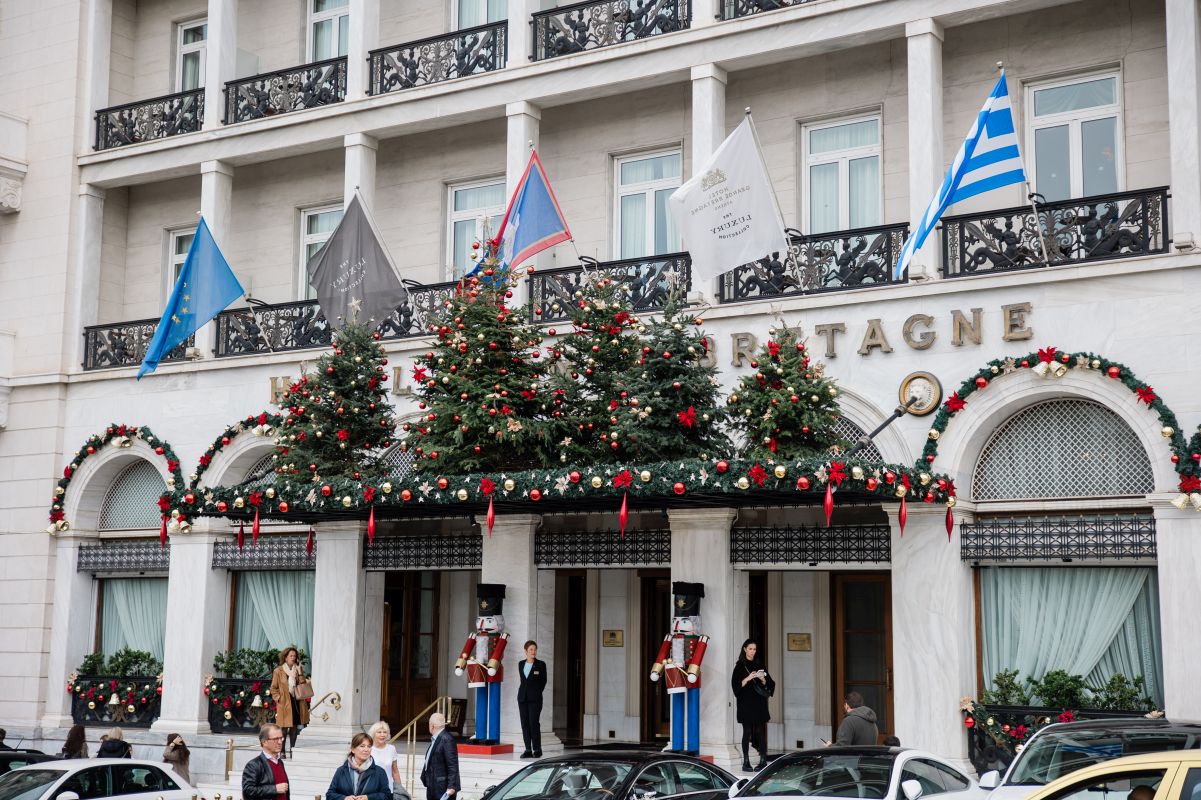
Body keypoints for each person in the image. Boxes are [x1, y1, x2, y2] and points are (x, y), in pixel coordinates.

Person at [731, 639, 775, 772]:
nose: (752, 651)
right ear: (745, 649)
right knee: (747, 731)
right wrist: (748, 678)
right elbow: (735, 686)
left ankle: (762, 760)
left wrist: (762, 678)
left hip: (759, 702)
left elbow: (770, 683)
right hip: (746, 702)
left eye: (754, 649)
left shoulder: (759, 663)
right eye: (750, 649)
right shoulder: (739, 666)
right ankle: (746, 761)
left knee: (760, 731)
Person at [271, 646, 311, 759]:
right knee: (283, 729)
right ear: (285, 657)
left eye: (294, 656)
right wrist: (278, 698)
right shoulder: (278, 671)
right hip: (284, 703)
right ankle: (282, 751)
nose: (293, 658)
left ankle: (292, 750)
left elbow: (303, 685)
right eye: (291, 656)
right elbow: (273, 688)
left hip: (296, 702)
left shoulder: (297, 669)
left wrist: (300, 673)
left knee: (294, 728)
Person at [326, 733, 390, 800]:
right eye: (362, 746)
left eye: (369, 746)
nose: (366, 749)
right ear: (353, 749)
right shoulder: (341, 770)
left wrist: (368, 798)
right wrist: (344, 798)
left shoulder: (380, 772)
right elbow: (330, 795)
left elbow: (387, 796)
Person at [243, 723, 290, 800]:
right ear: (264, 742)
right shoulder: (254, 765)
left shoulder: (280, 762)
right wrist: (274, 789)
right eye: (275, 739)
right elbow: (248, 791)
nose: (280, 742)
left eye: (281, 738)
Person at [516, 640, 547, 759]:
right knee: (525, 724)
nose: (533, 652)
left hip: (535, 699)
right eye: (531, 650)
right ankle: (528, 749)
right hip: (522, 697)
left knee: (534, 723)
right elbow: (524, 681)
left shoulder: (541, 664)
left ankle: (537, 749)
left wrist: (536, 692)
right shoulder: (520, 664)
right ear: (526, 651)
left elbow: (543, 681)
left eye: (535, 649)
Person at [419, 713, 460, 800]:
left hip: (443, 789)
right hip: (433, 786)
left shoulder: (447, 739)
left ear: (432, 726)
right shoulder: (436, 738)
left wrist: (451, 786)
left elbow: (452, 765)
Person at [367, 721, 403, 793]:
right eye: (379, 732)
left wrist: (400, 789)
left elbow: (395, 771)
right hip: (370, 790)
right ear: (373, 734)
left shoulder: (391, 749)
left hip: (388, 789)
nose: (382, 735)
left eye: (385, 732)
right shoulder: (368, 749)